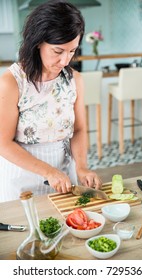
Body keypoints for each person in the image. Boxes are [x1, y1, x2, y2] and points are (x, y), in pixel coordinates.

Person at [0, 0, 102, 202]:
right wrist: (48, 172)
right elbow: (3, 143)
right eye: (58, 51)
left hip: (64, 175)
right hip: (22, 177)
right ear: (38, 42)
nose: (65, 61)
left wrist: (81, 167)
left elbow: (79, 129)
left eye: (72, 51)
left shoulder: (75, 80)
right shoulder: (12, 82)